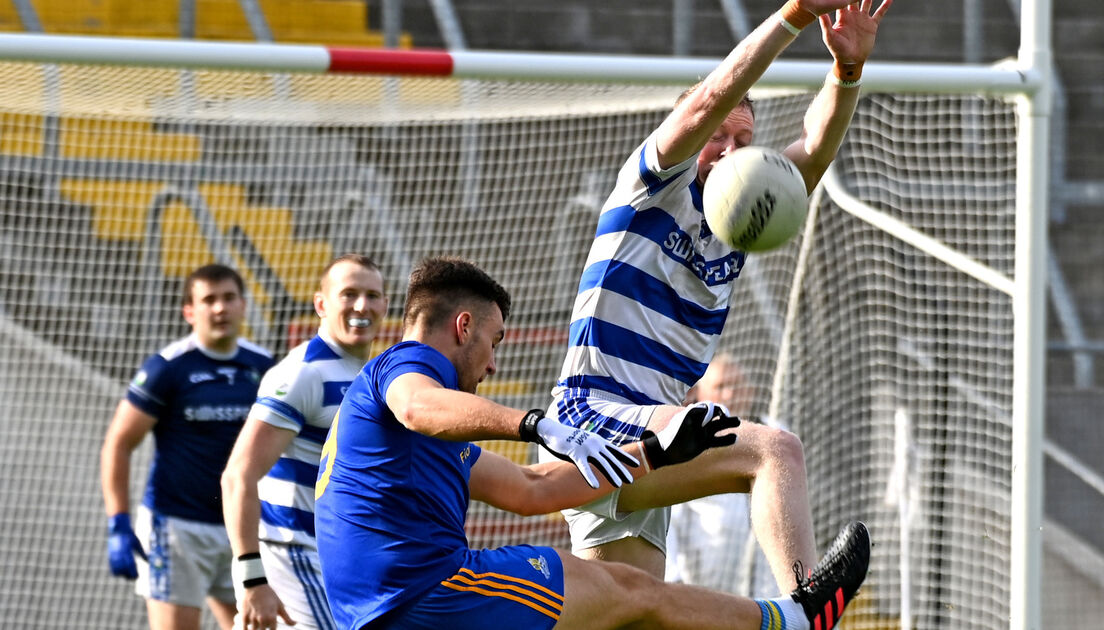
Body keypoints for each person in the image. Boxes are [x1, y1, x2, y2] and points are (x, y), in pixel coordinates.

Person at [313, 255, 870, 630]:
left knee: (626, 595)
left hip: (388, 609)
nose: (494, 361)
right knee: (634, 593)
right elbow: (417, 405)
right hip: (425, 593)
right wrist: (536, 424)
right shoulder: (406, 369)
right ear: (463, 327)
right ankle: (792, 619)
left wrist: (654, 454)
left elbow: (533, 488)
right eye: (494, 339)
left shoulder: (424, 428)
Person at [540, 0, 891, 594]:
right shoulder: (650, 186)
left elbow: (816, 148)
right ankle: (805, 608)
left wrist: (847, 73)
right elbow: (708, 99)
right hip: (595, 416)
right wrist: (795, 15)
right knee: (775, 451)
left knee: (629, 610)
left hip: (654, 434)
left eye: (744, 139)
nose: (731, 149)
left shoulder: (740, 217)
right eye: (718, 136)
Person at [101, 264, 276, 630]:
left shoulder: (265, 369)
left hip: (242, 528)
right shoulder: (168, 368)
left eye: (228, 298)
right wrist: (118, 521)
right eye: (208, 300)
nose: (220, 309)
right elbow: (119, 442)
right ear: (189, 312)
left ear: (244, 305)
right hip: (177, 530)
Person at [221, 254, 389, 630]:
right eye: (348, 294)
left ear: (386, 305)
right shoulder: (303, 373)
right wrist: (252, 579)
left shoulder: (367, 374)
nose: (362, 306)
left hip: (333, 560)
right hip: (293, 554)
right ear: (320, 305)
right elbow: (238, 476)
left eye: (372, 295)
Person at [665, 352, 777, 597]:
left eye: (736, 385)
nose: (730, 394)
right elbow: (669, 513)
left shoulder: (775, 433)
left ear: (751, 389)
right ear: (701, 395)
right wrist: (672, 576)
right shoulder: (687, 442)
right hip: (705, 579)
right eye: (720, 386)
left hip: (765, 577)